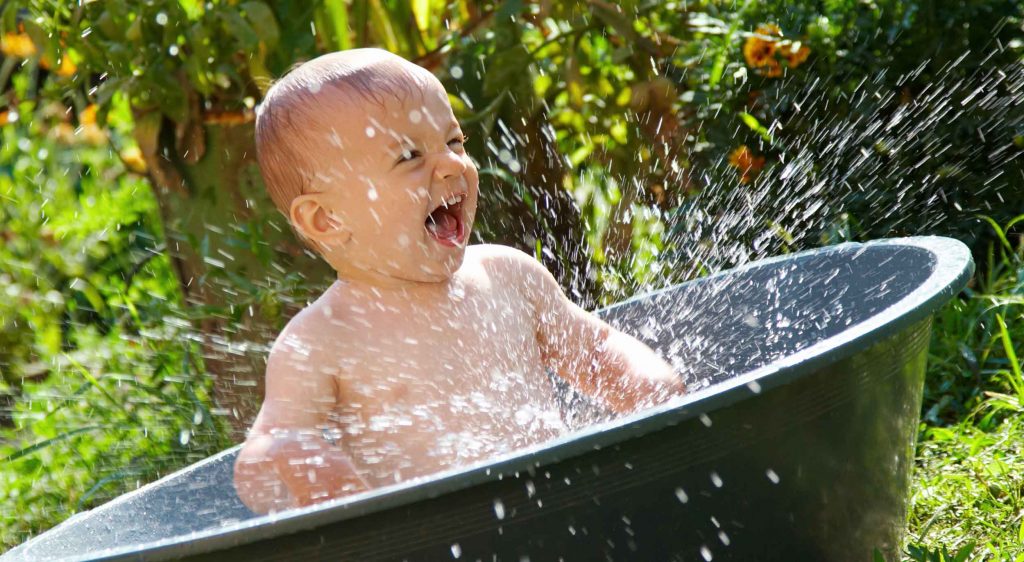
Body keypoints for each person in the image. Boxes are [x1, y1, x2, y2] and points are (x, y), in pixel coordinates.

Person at [233, 48, 683, 514]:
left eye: (454, 141)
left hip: (563, 509)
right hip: (441, 536)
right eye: (409, 156)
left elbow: (595, 351)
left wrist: (654, 392)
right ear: (327, 219)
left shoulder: (507, 276)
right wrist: (300, 462)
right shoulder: (322, 339)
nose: (452, 165)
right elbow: (263, 458)